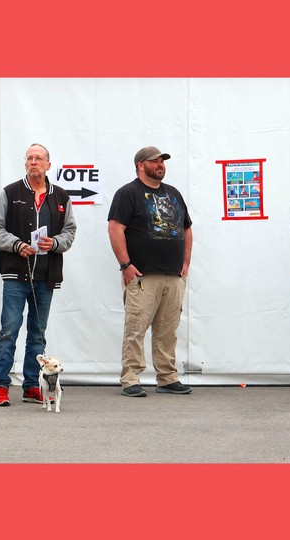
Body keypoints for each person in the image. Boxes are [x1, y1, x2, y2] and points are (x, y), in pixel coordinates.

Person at [0, 143, 76, 406]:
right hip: (16, 275)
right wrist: (16, 244)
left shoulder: (61, 196)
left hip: (46, 276)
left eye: (39, 158)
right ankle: (1, 386)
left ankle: (30, 385)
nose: (33, 162)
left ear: (49, 164)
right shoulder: (10, 192)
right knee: (9, 331)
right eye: (29, 158)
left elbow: (70, 232)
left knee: (37, 333)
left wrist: (56, 243)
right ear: (25, 163)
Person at [108, 146, 193, 397]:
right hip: (142, 275)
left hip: (173, 275)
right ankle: (131, 378)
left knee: (168, 330)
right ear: (140, 165)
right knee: (136, 328)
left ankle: (167, 377)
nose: (160, 165)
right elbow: (115, 229)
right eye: (154, 161)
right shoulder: (128, 193)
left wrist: (185, 264)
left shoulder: (174, 194)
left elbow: (187, 229)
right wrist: (125, 265)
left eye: (162, 161)